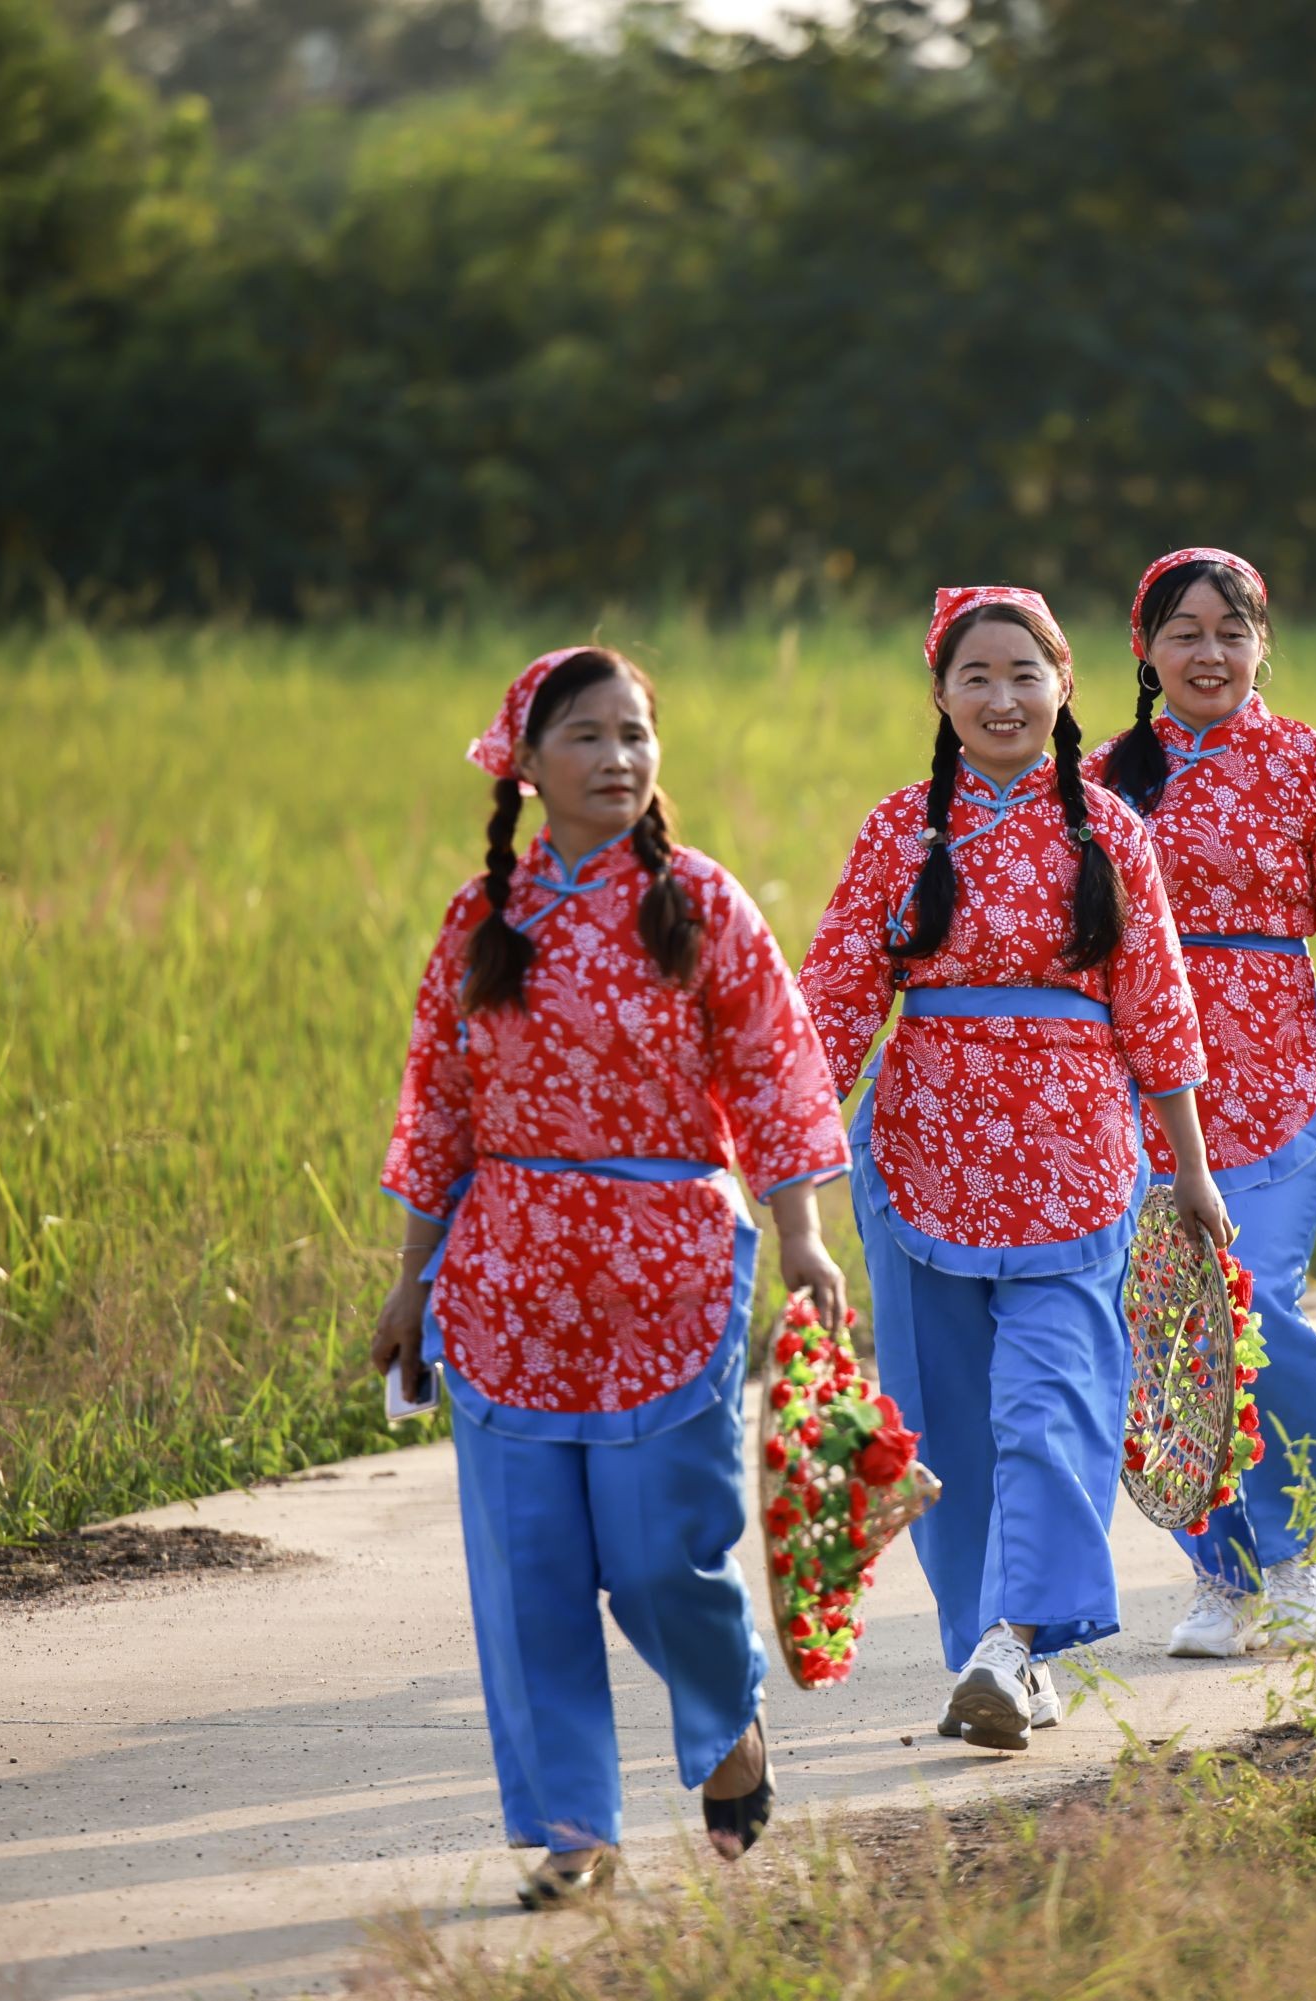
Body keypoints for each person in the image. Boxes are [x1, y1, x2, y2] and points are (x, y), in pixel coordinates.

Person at [370, 645, 851, 1908]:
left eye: (636, 734)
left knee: (661, 1557)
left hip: (669, 1270)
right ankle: (574, 1827)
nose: (618, 759)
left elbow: (776, 1074)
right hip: (506, 1278)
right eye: (587, 736)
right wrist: (411, 1280)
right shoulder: (483, 923)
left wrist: (802, 1233)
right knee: (527, 1571)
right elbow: (439, 1108)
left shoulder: (700, 904)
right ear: (524, 765)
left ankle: (726, 1725)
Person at [800, 587, 1228, 1751]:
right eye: (976, 677)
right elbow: (836, 999)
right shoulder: (901, 831)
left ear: (1065, 687)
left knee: (1055, 1409)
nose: (1002, 699)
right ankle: (994, 1647)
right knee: (944, 1427)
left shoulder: (1109, 831)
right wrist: (785, 1166)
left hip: (1078, 1160)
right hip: (920, 1157)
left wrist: (1190, 1170)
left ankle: (1015, 1642)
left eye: (1024, 675)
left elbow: (1161, 1009)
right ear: (940, 695)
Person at [1097, 546, 1316, 1658]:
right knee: (1172, 1331)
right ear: (1146, 650)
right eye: (1185, 632)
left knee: (1260, 1310)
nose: (1209, 652)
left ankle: (1301, 1552)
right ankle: (1221, 1574)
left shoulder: (1309, 767)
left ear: (1263, 644)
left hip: (1278, 1070)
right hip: (1138, 1088)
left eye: (1230, 631)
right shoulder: (1099, 779)